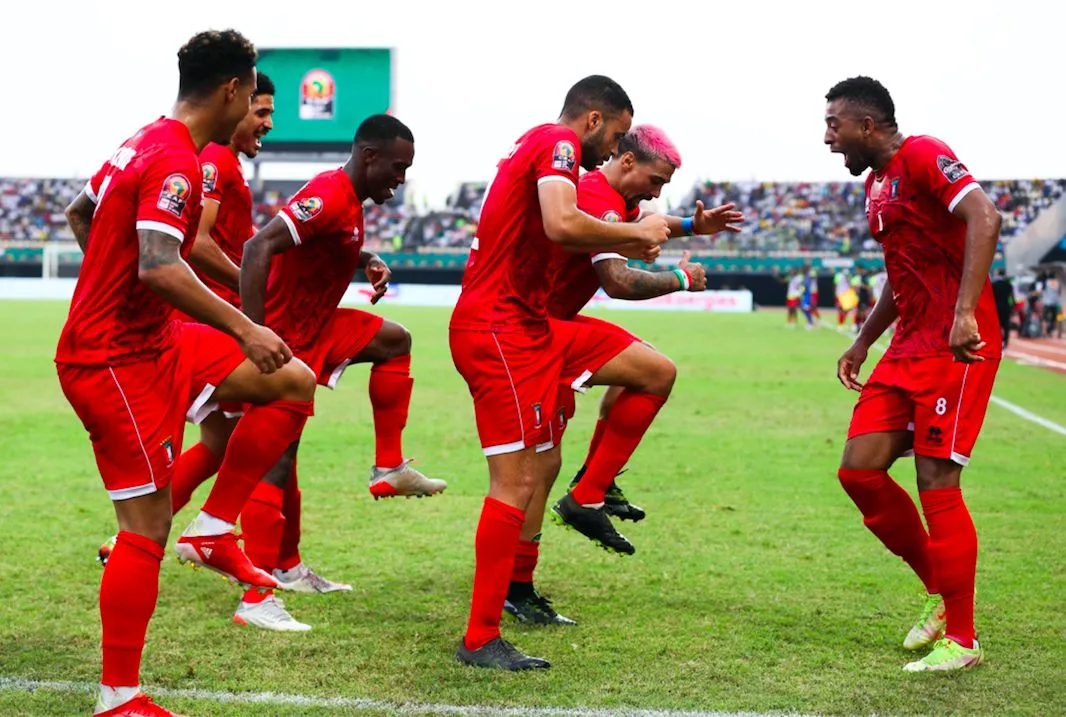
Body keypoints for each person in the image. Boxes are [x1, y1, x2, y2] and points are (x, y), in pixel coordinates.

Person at [59, 30, 318, 717]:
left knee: (294, 379)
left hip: (158, 339)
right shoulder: (175, 159)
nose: (258, 111)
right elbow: (159, 262)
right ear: (231, 90)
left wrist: (118, 287)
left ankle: (212, 527)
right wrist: (245, 324)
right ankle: (119, 698)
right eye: (254, 95)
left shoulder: (139, 140)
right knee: (143, 526)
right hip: (113, 358)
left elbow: (79, 212)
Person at [448, 75, 671, 670]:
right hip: (501, 330)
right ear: (594, 121)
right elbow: (562, 225)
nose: (613, 149)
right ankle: (480, 638)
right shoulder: (559, 143)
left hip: (529, 329)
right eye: (618, 134)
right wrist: (634, 233)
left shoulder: (544, 147)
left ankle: (523, 584)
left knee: (543, 460)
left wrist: (664, 229)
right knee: (514, 482)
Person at [502, 124, 741, 626]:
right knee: (535, 467)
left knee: (544, 465)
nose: (658, 194)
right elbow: (617, 280)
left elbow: (636, 222)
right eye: (656, 180)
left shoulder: (611, 196)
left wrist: (694, 227)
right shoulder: (593, 192)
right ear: (627, 161)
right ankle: (582, 500)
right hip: (535, 334)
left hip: (552, 330)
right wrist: (681, 278)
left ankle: (582, 502)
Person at [236, 113, 446, 629]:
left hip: (318, 328)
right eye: (397, 169)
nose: (400, 180)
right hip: (284, 338)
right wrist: (254, 334)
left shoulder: (350, 203)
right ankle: (256, 598)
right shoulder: (329, 193)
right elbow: (256, 247)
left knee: (395, 340)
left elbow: (325, 243)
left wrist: (366, 258)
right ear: (369, 156)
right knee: (275, 462)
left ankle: (386, 470)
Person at [825, 75, 1002, 672]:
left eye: (835, 126)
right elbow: (901, 278)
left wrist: (962, 314)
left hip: (959, 344)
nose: (828, 140)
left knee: (936, 481)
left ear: (866, 126)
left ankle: (964, 639)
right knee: (859, 470)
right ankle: (941, 587)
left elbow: (986, 215)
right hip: (907, 348)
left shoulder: (924, 153)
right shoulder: (875, 185)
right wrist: (861, 340)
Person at [991, 269, 1014, 349]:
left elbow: (991, 298)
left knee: (996, 326)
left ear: (997, 274)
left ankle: (997, 342)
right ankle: (1006, 342)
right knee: (1006, 326)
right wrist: (1012, 308)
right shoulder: (1008, 285)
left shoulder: (994, 284)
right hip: (1006, 307)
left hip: (996, 307)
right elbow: (1012, 298)